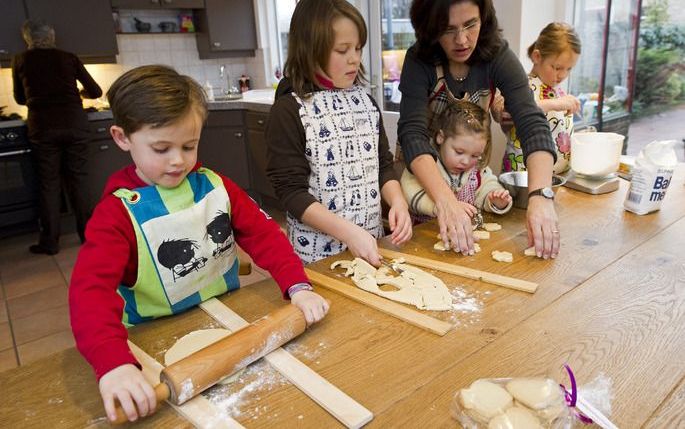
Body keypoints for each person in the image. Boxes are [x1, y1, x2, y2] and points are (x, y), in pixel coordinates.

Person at [69, 65, 330, 423]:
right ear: (122, 137)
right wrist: (113, 363)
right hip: (153, 339)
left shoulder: (215, 186)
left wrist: (297, 284)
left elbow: (265, 234)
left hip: (225, 320)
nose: (178, 160)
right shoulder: (116, 215)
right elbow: (90, 293)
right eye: (161, 148)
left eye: (189, 145)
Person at [398, 0, 560, 258]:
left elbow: (531, 122)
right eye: (447, 29)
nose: (462, 39)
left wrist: (541, 195)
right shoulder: (420, 60)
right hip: (423, 181)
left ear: (483, 18)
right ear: (430, 27)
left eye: (470, 24)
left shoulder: (497, 55)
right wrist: (445, 201)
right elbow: (412, 134)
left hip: (469, 181)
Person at [265, 0, 412, 266]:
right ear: (310, 51)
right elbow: (292, 194)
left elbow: (383, 166)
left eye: (357, 48)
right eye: (342, 50)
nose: (354, 58)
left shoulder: (365, 103)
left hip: (369, 245)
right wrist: (348, 232)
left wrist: (398, 200)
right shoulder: (289, 111)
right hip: (317, 258)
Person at [12, 19, 102, 255]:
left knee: (49, 184)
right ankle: (89, 236)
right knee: (80, 181)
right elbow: (96, 91)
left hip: (43, 128)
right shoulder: (68, 57)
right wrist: (77, 93)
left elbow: (20, 99)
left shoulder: (21, 60)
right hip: (74, 123)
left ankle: (50, 242)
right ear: (52, 37)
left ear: (28, 38)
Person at [402, 100, 512, 222]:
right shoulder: (426, 164)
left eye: (475, 155)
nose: (466, 161)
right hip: (424, 234)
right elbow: (409, 193)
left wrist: (494, 199)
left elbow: (488, 187)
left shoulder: (478, 171)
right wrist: (438, 207)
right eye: (459, 152)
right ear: (441, 137)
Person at [500, 22, 582, 174]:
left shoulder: (557, 92)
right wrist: (556, 104)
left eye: (568, 69)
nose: (563, 75)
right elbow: (511, 113)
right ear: (537, 56)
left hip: (557, 177)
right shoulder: (521, 86)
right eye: (557, 68)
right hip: (523, 177)